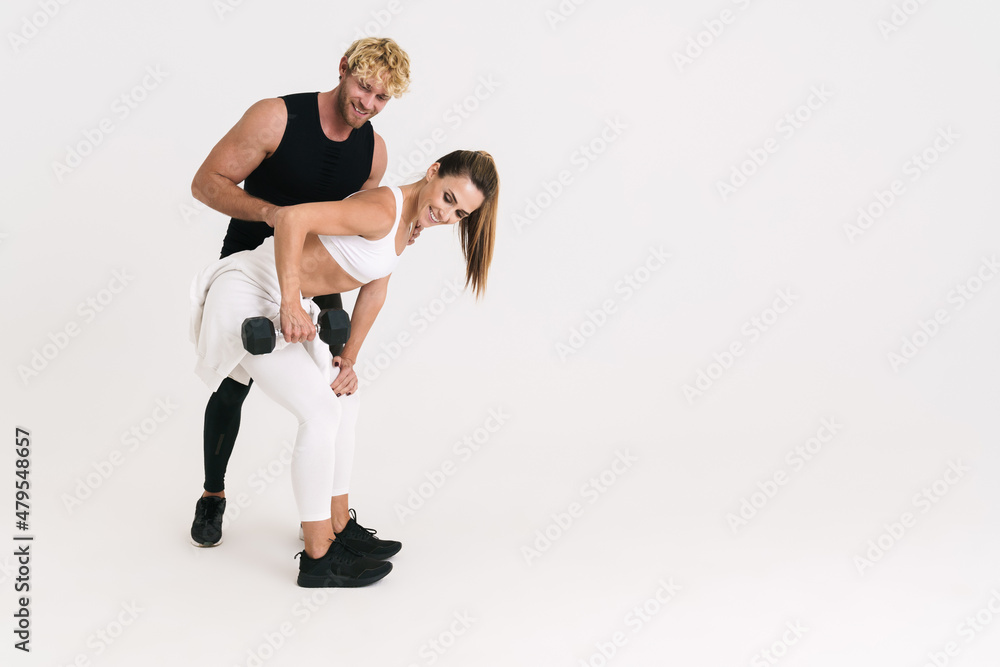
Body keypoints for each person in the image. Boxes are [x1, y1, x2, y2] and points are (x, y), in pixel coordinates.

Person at [190, 150, 499, 586]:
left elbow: (375, 289)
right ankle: (318, 557)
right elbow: (291, 219)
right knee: (319, 413)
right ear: (433, 172)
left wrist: (348, 358)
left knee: (344, 397)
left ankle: (336, 523)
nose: (446, 214)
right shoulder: (382, 210)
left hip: (280, 299)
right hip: (248, 293)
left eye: (459, 213)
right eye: (448, 198)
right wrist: (291, 303)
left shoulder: (406, 222)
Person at [188, 37, 411, 555]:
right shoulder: (275, 117)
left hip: (315, 279)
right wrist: (272, 214)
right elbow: (205, 183)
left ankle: (330, 520)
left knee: (338, 389)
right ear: (343, 69)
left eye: (382, 97)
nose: (368, 103)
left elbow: (355, 229)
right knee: (233, 386)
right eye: (363, 86)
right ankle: (212, 495)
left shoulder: (373, 151)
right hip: (252, 265)